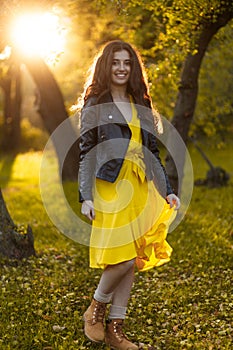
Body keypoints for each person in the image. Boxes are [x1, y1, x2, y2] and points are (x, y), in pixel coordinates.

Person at [78, 40, 180, 350]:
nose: (121, 68)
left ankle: (116, 331)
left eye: (127, 62)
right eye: (115, 62)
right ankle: (95, 309)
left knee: (131, 258)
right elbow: (86, 151)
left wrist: (168, 191)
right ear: (105, 66)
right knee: (120, 259)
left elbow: (151, 151)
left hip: (141, 187)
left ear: (133, 68)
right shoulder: (95, 101)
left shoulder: (141, 102)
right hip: (111, 186)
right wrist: (85, 196)